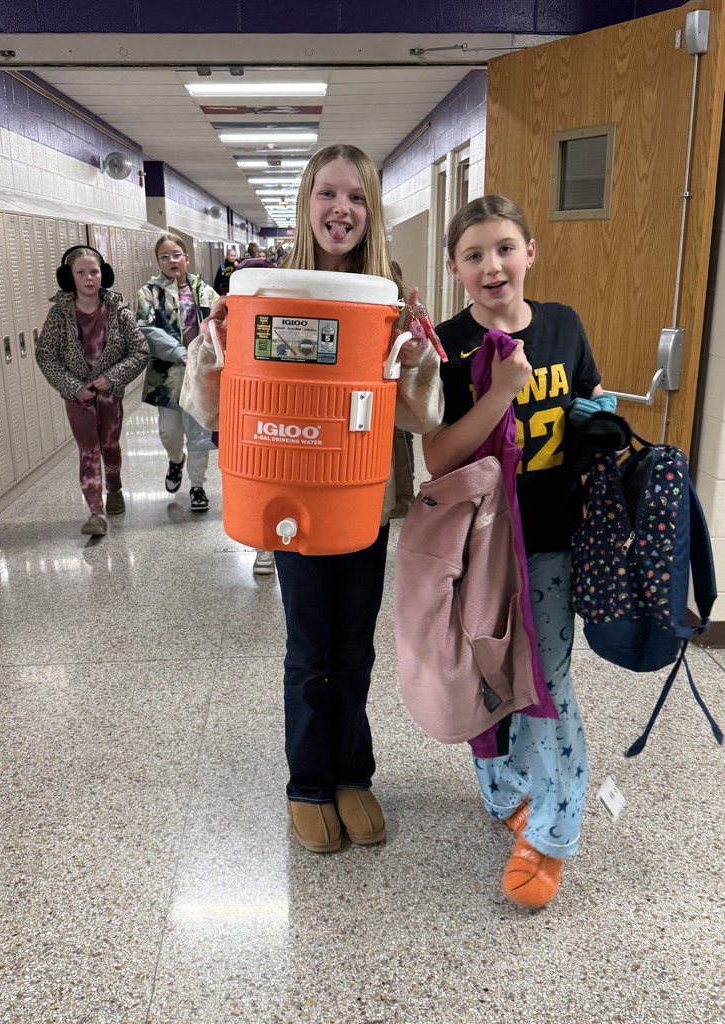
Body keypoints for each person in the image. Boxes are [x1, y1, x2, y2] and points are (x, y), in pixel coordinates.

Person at [204, 144, 443, 854]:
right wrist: (218, 344)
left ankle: (351, 775)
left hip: (363, 497)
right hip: (294, 495)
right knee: (311, 647)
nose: (342, 209)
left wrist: (414, 360)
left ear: (372, 211)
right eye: (328, 194)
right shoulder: (267, 290)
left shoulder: (392, 295)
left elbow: (421, 413)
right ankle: (308, 781)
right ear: (307, 204)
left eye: (358, 197)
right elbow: (214, 402)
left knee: (355, 645)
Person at [423, 194, 615, 909]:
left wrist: (608, 435)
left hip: (550, 544)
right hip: (477, 548)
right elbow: (438, 454)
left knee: (546, 686)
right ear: (456, 269)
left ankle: (556, 834)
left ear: (529, 251)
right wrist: (501, 393)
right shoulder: (449, 345)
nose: (492, 264)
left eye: (504, 247)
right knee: (489, 679)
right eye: (474, 254)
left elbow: (589, 397)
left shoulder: (562, 324)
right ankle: (506, 793)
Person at [35, 246, 149, 536]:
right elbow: (45, 355)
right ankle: (95, 512)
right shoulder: (59, 314)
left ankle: (114, 488)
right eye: (81, 273)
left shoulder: (118, 311)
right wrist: (72, 387)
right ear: (69, 278)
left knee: (109, 445)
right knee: (88, 450)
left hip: (110, 393)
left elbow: (140, 350)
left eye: (94, 272)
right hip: (78, 395)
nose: (89, 278)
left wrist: (113, 377)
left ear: (104, 274)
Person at [137, 234, 217, 512]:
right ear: (158, 261)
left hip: (200, 373)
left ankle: (197, 486)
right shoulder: (150, 292)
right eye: (164, 256)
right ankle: (175, 461)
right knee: (169, 432)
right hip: (167, 374)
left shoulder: (204, 290)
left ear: (186, 257)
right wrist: (179, 352)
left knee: (199, 432)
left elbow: (220, 323)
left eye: (176, 254)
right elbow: (145, 327)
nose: (171, 261)